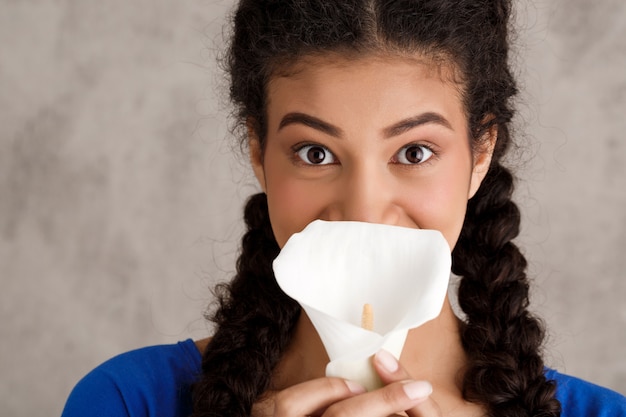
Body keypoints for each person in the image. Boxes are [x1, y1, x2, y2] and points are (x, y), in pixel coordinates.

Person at [61, 0, 626, 416]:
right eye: (315, 153)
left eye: (413, 152)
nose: (363, 211)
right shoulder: (127, 400)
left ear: (481, 153)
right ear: (259, 153)